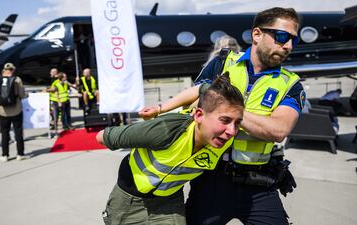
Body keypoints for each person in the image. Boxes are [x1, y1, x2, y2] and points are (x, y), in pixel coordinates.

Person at [140, 7, 304, 225]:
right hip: (210, 179)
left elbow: (278, 130)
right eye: (282, 37)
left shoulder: (291, 84)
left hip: (259, 185)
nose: (288, 46)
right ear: (257, 34)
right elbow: (194, 102)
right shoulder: (221, 64)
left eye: (293, 39)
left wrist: (224, 110)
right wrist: (162, 109)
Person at [96, 74, 244, 225]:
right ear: (199, 115)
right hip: (129, 204)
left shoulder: (225, 137)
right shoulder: (164, 130)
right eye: (225, 120)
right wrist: (160, 110)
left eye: (238, 123)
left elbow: (203, 88)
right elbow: (102, 137)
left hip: (169, 204)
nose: (232, 131)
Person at [0, 63, 28, 162]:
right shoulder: (17, 79)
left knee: (4, 133)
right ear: (13, 70)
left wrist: (0, 99)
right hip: (16, 110)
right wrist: (25, 95)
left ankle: (5, 155)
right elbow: (22, 94)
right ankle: (20, 154)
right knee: (18, 132)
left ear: (4, 70)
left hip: (3, 111)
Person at [46, 68, 60, 135]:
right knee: (51, 111)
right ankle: (53, 122)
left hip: (55, 98)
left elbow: (54, 89)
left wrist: (46, 90)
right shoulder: (51, 79)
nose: (51, 73)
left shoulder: (57, 80)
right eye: (51, 72)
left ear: (56, 73)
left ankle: (55, 124)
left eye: (53, 72)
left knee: (55, 112)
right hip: (51, 97)